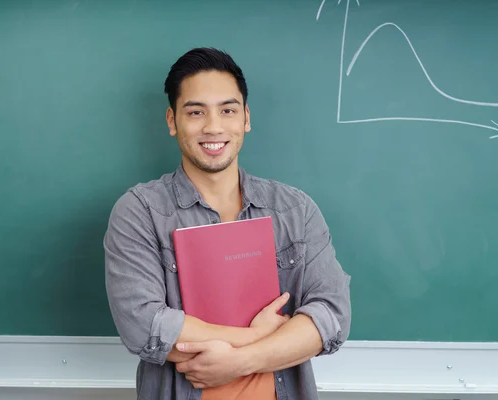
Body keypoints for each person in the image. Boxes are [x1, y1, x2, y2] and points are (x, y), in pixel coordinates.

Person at [104, 47, 352, 400]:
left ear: (246, 118)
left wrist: (241, 361)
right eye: (195, 112)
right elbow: (145, 326)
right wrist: (256, 336)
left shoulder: (295, 210)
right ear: (173, 121)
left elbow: (330, 318)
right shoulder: (140, 212)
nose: (214, 127)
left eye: (228, 110)